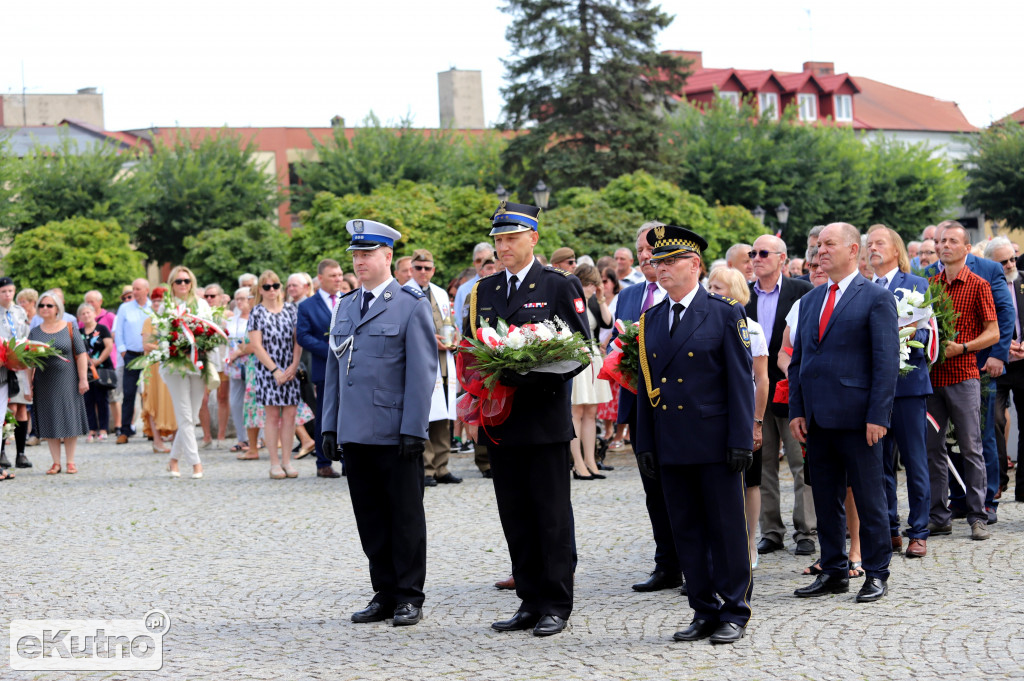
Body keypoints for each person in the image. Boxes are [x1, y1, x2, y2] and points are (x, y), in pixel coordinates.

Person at [464, 201, 590, 637]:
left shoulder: (558, 284)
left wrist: (529, 374)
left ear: (533, 238)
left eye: (511, 239)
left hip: (543, 420)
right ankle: (529, 600)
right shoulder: (487, 290)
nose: (503, 247)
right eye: (498, 240)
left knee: (551, 516)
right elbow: (474, 348)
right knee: (514, 514)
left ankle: (556, 602)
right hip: (501, 424)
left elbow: (580, 351)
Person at [635, 224, 754, 644]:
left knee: (725, 529)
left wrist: (741, 439)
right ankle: (703, 609)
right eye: (656, 262)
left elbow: (741, 383)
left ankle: (734, 609)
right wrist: (644, 442)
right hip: (671, 442)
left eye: (670, 262)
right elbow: (647, 389)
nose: (661, 269)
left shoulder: (724, 312)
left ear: (695, 265)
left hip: (714, 440)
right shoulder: (650, 320)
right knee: (686, 530)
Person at [322, 218, 436, 627]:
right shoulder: (347, 305)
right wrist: (330, 426)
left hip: (394, 432)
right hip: (355, 431)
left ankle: (409, 595)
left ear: (388, 256)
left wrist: (413, 428)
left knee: (404, 517)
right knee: (369, 517)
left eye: (367, 253)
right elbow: (336, 370)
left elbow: (422, 374)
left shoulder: (410, 304)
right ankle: (384, 592)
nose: (359, 261)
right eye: (356, 254)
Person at [789, 223, 899, 603]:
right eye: (818, 245)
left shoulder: (875, 298)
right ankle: (833, 569)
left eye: (829, 244)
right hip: (817, 419)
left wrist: (878, 416)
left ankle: (877, 571)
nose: (820, 251)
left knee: (870, 498)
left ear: (854, 250)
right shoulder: (810, 300)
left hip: (859, 420)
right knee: (825, 498)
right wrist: (798, 410)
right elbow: (800, 361)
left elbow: (885, 364)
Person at [923, 221, 1013, 524]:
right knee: (933, 449)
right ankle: (939, 515)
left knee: (971, 445)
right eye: (940, 241)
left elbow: (993, 332)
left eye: (951, 241)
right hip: (933, 379)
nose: (944, 246)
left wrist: (962, 348)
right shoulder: (930, 284)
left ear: (966, 247)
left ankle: (978, 514)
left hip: (964, 375)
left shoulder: (978, 283)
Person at [615, 222, 682, 593]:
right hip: (640, 402)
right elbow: (616, 343)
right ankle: (666, 564)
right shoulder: (629, 296)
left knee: (682, 486)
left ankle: (694, 562)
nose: (644, 256)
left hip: (678, 405)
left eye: (650, 250)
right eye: (639, 249)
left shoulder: (682, 291)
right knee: (652, 486)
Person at [745, 235, 816, 557]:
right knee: (763, 463)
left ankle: (806, 529)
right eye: (752, 253)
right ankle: (771, 531)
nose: (756, 258)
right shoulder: (743, 296)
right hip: (756, 392)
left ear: (782, 258)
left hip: (792, 388)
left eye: (763, 253)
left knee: (801, 462)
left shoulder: (802, 292)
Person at [866, 225, 933, 558]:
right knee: (880, 463)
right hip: (875, 390)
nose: (872, 248)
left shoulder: (916, 284)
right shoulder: (864, 287)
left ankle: (919, 530)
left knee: (915, 460)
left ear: (896, 250)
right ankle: (889, 528)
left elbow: (915, 330)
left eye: (880, 243)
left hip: (908, 385)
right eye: (869, 244)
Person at [707, 266, 768, 569]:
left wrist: (757, 421)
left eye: (718, 288)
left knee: (751, 482)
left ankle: (748, 543)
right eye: (710, 286)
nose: (712, 293)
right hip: (715, 416)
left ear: (735, 293)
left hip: (744, 416)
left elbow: (761, 378)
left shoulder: (752, 328)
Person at [409, 249, 461, 486]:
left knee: (444, 415)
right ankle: (427, 468)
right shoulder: (404, 292)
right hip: (420, 361)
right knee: (426, 415)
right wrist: (431, 340)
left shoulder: (440, 293)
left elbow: (449, 323)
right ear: (411, 269)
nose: (422, 272)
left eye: (427, 268)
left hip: (443, 360)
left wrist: (455, 336)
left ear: (433, 269)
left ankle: (442, 466)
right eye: (418, 268)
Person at [248, 270, 304, 480]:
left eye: (275, 286)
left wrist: (293, 366)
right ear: (260, 290)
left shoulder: (291, 309)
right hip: (267, 371)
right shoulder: (257, 312)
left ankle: (287, 461)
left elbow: (298, 339)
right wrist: (275, 371)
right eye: (267, 287)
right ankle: (274, 463)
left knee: (290, 416)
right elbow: (256, 345)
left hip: (290, 368)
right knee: (272, 416)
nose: (272, 290)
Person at [28, 291, 89, 475]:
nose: (44, 308)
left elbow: (81, 354)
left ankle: (70, 461)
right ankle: (56, 462)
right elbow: (30, 360)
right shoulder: (35, 331)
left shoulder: (69, 327)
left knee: (69, 418)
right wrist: (28, 384)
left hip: (68, 380)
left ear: (57, 309)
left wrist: (83, 378)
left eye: (49, 305)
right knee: (50, 419)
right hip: (43, 381)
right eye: (41, 305)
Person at [161, 267, 214, 479]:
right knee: (184, 414)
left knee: (191, 416)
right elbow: (161, 335)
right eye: (178, 281)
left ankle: (174, 459)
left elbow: (210, 331)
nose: (183, 284)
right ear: (172, 284)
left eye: (187, 280)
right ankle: (196, 463)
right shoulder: (166, 307)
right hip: (175, 364)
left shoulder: (201, 305)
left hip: (198, 363)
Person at [297, 259, 346, 478]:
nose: (338, 279)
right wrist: (331, 350)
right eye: (333, 275)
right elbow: (303, 336)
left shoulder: (349, 300)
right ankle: (323, 462)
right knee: (326, 414)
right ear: (320, 279)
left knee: (348, 414)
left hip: (350, 367)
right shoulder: (307, 305)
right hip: (324, 366)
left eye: (340, 274)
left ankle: (348, 461)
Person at [987, 237, 1024, 503]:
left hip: (1023, 362)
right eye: (1003, 261)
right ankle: (998, 481)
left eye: (1012, 258)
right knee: (994, 421)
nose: (1010, 264)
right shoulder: (984, 285)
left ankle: (1023, 486)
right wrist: (1001, 347)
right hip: (996, 363)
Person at [569, 263, 612, 480]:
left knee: (591, 411)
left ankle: (591, 460)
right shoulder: (570, 302)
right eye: (586, 283)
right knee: (576, 411)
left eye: (592, 284)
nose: (589, 288)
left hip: (593, 355)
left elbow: (607, 321)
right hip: (576, 355)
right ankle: (577, 463)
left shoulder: (593, 302)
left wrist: (601, 297)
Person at [0, 278, 32, 470]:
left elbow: (25, 336)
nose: (7, 295)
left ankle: (21, 452)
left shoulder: (20, 312)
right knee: (7, 409)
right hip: (3, 366)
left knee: (21, 408)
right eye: (4, 291)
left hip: (19, 364)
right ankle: (2, 450)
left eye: (10, 291)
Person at [115, 279, 152, 444]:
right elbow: (119, 331)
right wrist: (122, 350)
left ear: (146, 290)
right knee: (129, 393)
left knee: (150, 393)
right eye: (133, 289)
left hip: (150, 355)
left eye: (138, 289)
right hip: (130, 354)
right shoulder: (125, 308)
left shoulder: (153, 307)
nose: (134, 292)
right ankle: (125, 430)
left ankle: (151, 429)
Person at [141, 287, 176, 453]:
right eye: (154, 300)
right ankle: (157, 441)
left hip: (171, 363)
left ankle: (176, 439)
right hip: (154, 365)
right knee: (153, 401)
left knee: (173, 400)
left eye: (160, 300)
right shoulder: (149, 321)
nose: (156, 303)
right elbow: (146, 345)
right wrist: (164, 347)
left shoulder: (172, 319)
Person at [77, 302, 114, 442]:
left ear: (94, 313)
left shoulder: (102, 328)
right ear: (79, 317)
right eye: (83, 313)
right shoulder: (79, 332)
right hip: (85, 371)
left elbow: (108, 346)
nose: (86, 316)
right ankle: (91, 429)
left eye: (88, 312)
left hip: (102, 367)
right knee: (88, 400)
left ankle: (103, 429)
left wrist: (97, 361)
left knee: (102, 399)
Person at [225, 286, 253, 455]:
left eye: (244, 298)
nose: (241, 302)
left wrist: (239, 352)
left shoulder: (256, 318)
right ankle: (241, 437)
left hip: (252, 363)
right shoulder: (231, 320)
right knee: (236, 403)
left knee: (252, 402)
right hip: (235, 365)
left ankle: (257, 438)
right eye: (238, 299)